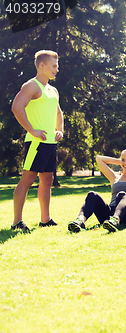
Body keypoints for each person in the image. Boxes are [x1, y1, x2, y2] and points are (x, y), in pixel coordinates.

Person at [11, 50, 64, 232]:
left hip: (50, 142)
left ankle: (45, 219)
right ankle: (17, 221)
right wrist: (32, 130)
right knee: (27, 179)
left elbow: (58, 113)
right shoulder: (31, 86)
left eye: (57, 66)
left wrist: (60, 130)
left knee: (47, 179)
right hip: (36, 142)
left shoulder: (52, 90)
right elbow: (17, 107)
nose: (57, 69)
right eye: (54, 66)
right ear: (42, 65)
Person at [68, 149, 126, 232]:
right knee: (92, 195)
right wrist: (120, 161)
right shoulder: (114, 177)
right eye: (123, 159)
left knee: (122, 194)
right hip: (109, 214)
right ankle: (80, 221)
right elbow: (99, 159)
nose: (125, 163)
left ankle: (115, 221)